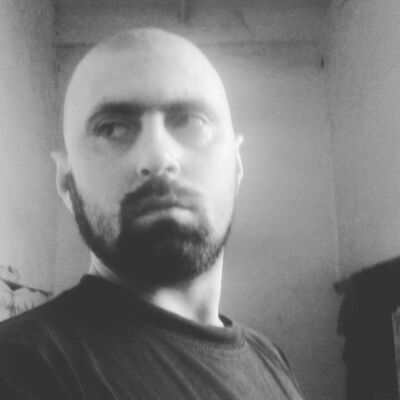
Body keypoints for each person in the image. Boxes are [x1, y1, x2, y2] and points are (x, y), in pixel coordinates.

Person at [0, 28, 304, 400]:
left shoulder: (268, 356)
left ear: (236, 168)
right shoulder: (18, 367)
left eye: (191, 121)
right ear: (67, 183)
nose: (158, 159)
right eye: (112, 129)